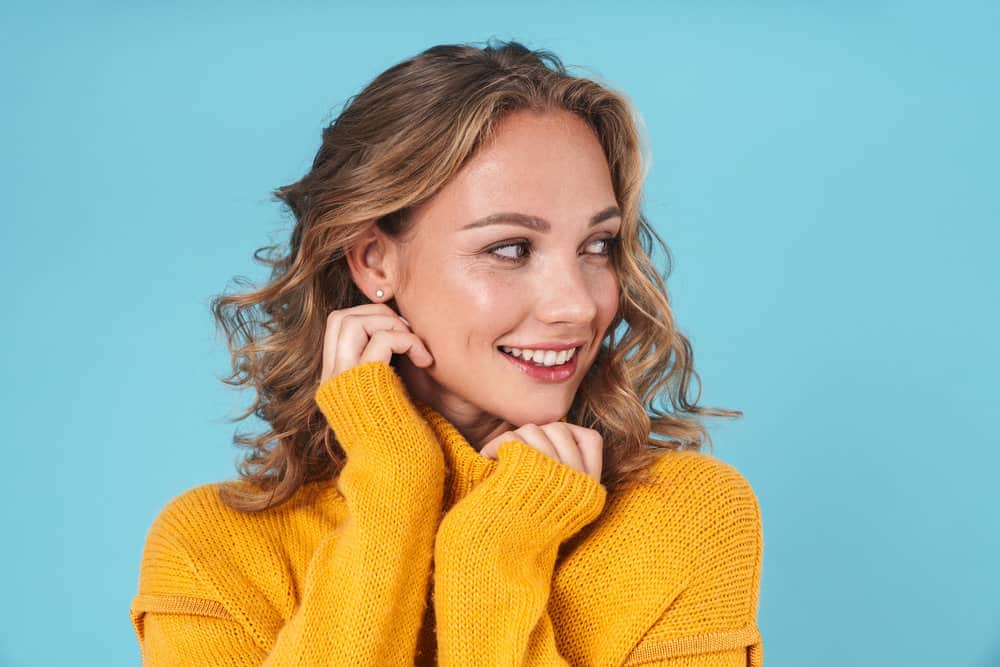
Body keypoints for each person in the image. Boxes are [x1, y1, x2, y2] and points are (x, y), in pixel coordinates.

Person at [129, 39, 763, 666]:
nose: (576, 305)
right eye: (511, 249)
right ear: (375, 260)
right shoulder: (211, 549)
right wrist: (394, 488)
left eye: (597, 245)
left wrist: (492, 559)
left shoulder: (684, 517)